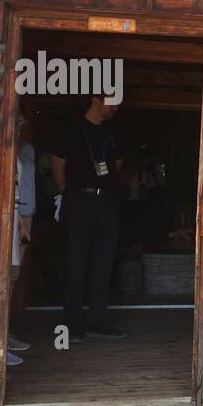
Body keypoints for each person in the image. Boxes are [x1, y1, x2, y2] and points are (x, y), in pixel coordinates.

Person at [52, 94, 126, 341]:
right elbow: (58, 163)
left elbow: (117, 165)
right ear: (95, 99)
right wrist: (65, 191)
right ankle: (73, 325)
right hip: (78, 200)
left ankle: (99, 320)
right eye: (112, 102)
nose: (115, 108)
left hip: (106, 201)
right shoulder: (71, 130)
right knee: (76, 260)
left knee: (104, 261)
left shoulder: (112, 132)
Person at [7, 114, 37, 366]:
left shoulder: (24, 150)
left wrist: (23, 224)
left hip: (20, 217)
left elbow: (18, 190)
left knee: (13, 276)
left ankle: (5, 335)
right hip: (8, 221)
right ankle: (0, 338)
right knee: (4, 277)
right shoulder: (5, 149)